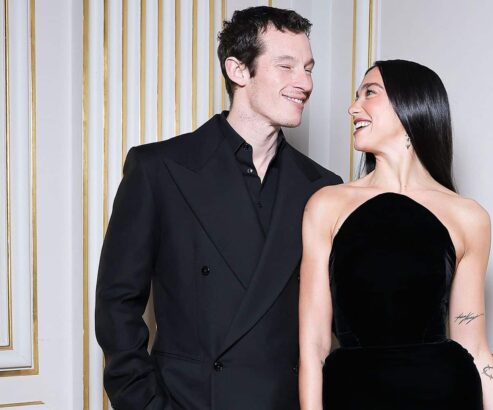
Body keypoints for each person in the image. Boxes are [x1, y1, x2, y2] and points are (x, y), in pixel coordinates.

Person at [95, 6, 341, 410]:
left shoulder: (323, 187)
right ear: (238, 70)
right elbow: (116, 306)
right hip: (190, 400)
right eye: (286, 66)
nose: (305, 83)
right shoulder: (159, 169)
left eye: (308, 69)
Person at [298, 60, 493, 409]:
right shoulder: (326, 205)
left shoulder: (469, 216)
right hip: (354, 395)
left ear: (410, 105)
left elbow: (474, 346)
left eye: (369, 93)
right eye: (356, 96)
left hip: (447, 394)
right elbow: (314, 347)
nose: (353, 108)